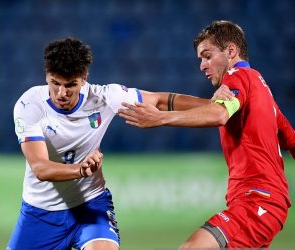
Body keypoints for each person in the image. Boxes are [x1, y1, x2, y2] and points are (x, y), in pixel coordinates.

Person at [7, 36, 233, 250]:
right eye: (55, 83)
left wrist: (210, 103)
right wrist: (80, 169)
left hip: (90, 205)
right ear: (46, 75)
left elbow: (161, 101)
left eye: (70, 85)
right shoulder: (30, 105)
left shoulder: (105, 97)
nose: (61, 93)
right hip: (40, 212)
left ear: (84, 77)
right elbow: (40, 168)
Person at [118, 20, 295, 248]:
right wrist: (160, 101)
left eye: (207, 56)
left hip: (257, 199)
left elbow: (219, 114)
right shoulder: (260, 88)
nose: (202, 65)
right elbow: (291, 139)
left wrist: (160, 118)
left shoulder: (237, 75)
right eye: (201, 59)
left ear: (231, 51)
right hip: (265, 202)